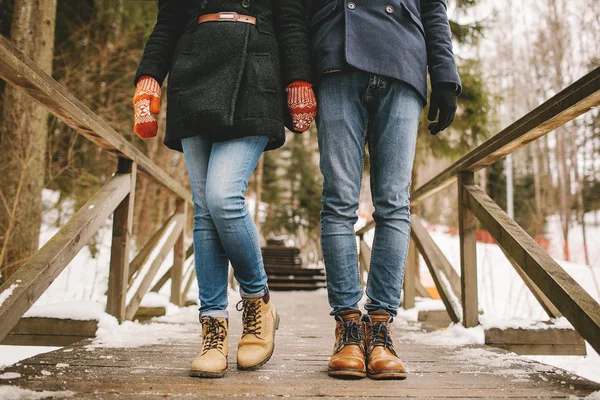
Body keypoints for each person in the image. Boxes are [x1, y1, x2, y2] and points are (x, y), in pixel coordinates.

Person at [133, 0, 315, 378]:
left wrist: (298, 78)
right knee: (204, 212)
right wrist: (149, 77)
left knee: (222, 196)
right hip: (193, 74)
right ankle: (213, 326)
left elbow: (291, 20)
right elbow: (168, 21)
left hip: (255, 72)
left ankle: (257, 302)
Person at [305, 0, 461, 380]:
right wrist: (296, 75)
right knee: (339, 199)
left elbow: (433, 7)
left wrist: (444, 75)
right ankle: (347, 329)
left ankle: (380, 328)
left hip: (401, 58)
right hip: (336, 55)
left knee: (393, 203)